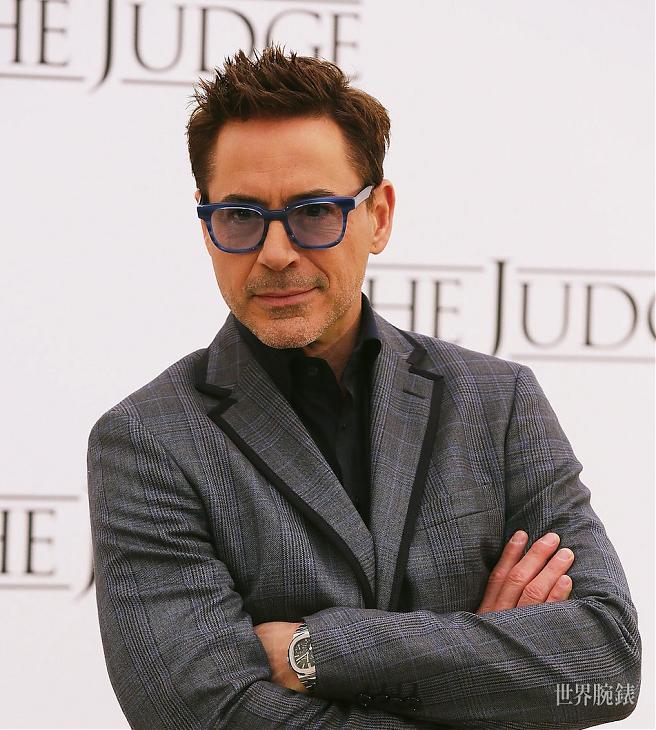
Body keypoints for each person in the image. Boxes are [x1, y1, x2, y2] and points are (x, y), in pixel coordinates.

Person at [86, 47, 640, 729]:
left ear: (379, 215)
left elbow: (605, 670)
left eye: (315, 211)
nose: (276, 252)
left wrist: (317, 651)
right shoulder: (147, 441)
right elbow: (206, 716)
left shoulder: (499, 405)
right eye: (240, 216)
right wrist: (488, 677)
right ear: (206, 227)